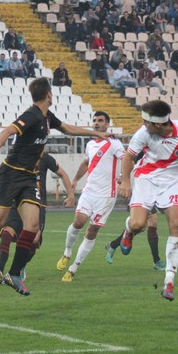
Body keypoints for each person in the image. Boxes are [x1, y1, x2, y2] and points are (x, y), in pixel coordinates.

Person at [0, 77, 109, 296]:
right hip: (10, 175)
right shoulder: (31, 115)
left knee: (32, 226)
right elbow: (7, 132)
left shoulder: (47, 116)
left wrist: (96, 134)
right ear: (49, 95)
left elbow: (67, 129)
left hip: (29, 178)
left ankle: (14, 274)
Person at [117, 100, 178, 301]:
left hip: (173, 182)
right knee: (137, 224)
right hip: (147, 178)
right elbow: (128, 157)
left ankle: (169, 281)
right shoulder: (143, 134)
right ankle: (129, 231)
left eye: (147, 122)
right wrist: (126, 181)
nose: (143, 125)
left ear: (158, 124)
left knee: (176, 225)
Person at [56, 112, 124, 281]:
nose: (96, 123)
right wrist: (75, 179)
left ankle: (73, 268)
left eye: (100, 121)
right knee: (78, 221)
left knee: (92, 230)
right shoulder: (90, 144)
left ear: (107, 124)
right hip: (89, 191)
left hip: (106, 196)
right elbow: (86, 163)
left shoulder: (114, 143)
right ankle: (67, 253)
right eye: (94, 121)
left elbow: (127, 159)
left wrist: (124, 175)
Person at [0, 153, 74, 284]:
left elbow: (62, 173)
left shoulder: (46, 159)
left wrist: (71, 195)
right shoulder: (18, 155)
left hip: (37, 205)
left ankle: (21, 266)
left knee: (33, 241)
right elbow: (5, 177)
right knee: (7, 234)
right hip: (16, 202)